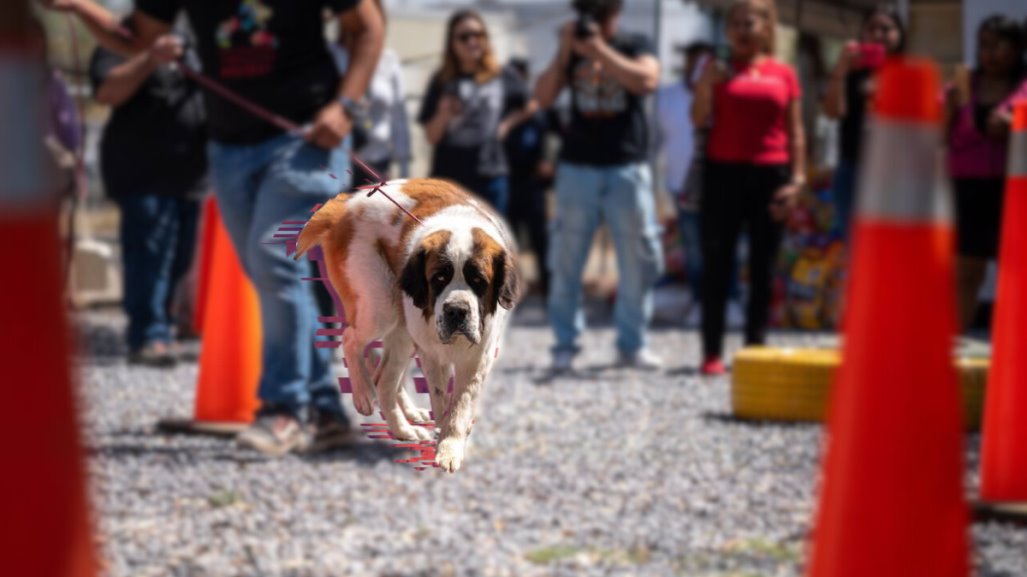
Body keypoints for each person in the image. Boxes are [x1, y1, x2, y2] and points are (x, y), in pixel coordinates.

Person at [45, 0, 384, 455]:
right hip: (227, 147)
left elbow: (367, 27)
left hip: (304, 138)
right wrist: (78, 6)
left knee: (273, 262)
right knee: (270, 275)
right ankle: (323, 410)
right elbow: (135, 38)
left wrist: (345, 104)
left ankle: (284, 409)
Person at [535, 0, 663, 372]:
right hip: (578, 168)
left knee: (637, 259)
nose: (596, 20)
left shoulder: (636, 42)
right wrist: (565, 51)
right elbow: (543, 97)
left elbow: (647, 80)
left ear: (617, 12)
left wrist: (598, 51)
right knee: (567, 259)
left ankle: (632, 343)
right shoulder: (571, 47)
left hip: (626, 166)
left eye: (603, 12)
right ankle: (565, 344)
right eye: (589, 11)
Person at [691, 0, 806, 375]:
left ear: (766, 29)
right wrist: (706, 84)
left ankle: (755, 349)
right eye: (736, 23)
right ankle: (712, 352)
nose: (743, 29)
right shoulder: (715, 70)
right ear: (727, 30)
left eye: (750, 22)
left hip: (771, 176)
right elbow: (698, 118)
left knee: (763, 266)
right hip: (723, 174)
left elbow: (796, 131)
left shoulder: (784, 74)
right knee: (718, 266)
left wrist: (798, 179)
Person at [89, 29, 207, 367]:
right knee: (149, 256)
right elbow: (107, 92)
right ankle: (148, 334)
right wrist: (150, 57)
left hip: (190, 174)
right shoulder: (121, 36)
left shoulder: (198, 36)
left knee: (179, 259)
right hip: (141, 172)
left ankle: (161, 327)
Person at [944, 15, 1027, 331]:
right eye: (983, 45)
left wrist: (1017, 126)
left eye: (998, 44)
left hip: (1014, 190)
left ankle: (1014, 350)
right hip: (967, 189)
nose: (989, 53)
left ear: (1018, 47)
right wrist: (949, 109)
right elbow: (941, 137)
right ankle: (953, 351)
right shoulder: (962, 87)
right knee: (965, 272)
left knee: (1017, 273)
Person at [656, 41, 744, 329]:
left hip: (724, 183)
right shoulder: (666, 97)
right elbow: (654, 140)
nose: (700, 68)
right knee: (694, 247)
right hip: (682, 185)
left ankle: (729, 299)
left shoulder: (727, 94)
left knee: (726, 244)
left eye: (707, 63)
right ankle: (699, 300)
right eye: (696, 62)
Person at [418, 10, 533, 215]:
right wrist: (443, 115)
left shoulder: (502, 74)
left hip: (490, 177)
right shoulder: (441, 80)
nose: (472, 41)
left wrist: (505, 125)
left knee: (489, 245)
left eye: (478, 35)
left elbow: (530, 104)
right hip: (449, 181)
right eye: (464, 37)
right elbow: (431, 137)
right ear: (452, 43)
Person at [822, 4, 905, 240]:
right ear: (862, 35)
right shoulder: (850, 72)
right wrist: (840, 70)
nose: (879, 35)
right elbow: (833, 112)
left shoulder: (907, 73)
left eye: (887, 29)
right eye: (872, 28)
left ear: (899, 35)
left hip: (895, 173)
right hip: (853, 169)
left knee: (891, 248)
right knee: (857, 251)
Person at [329, 0, 411, 183]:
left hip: (377, 164)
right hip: (338, 163)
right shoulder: (330, 55)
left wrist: (405, 166)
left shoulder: (389, 60)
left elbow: (399, 117)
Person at [504, 57, 554, 297]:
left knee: (540, 239)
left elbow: (555, 137)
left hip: (533, 184)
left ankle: (549, 289)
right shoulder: (501, 109)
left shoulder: (539, 110)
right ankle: (509, 289)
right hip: (507, 182)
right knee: (507, 240)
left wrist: (549, 162)